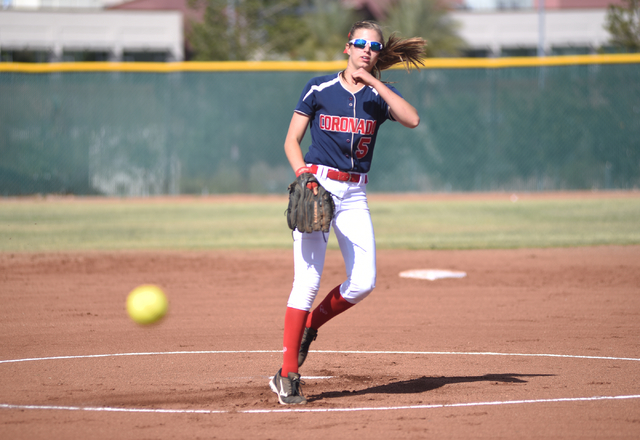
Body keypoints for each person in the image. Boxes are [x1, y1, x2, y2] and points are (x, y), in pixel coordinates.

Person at [269, 20, 426, 405]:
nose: (365, 50)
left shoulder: (380, 95)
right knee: (307, 281)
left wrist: (374, 82)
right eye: (359, 44)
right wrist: (303, 174)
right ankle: (287, 375)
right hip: (317, 184)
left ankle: (309, 327)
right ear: (347, 48)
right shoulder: (319, 87)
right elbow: (292, 140)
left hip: (355, 192)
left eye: (372, 46)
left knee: (364, 281)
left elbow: (412, 119)